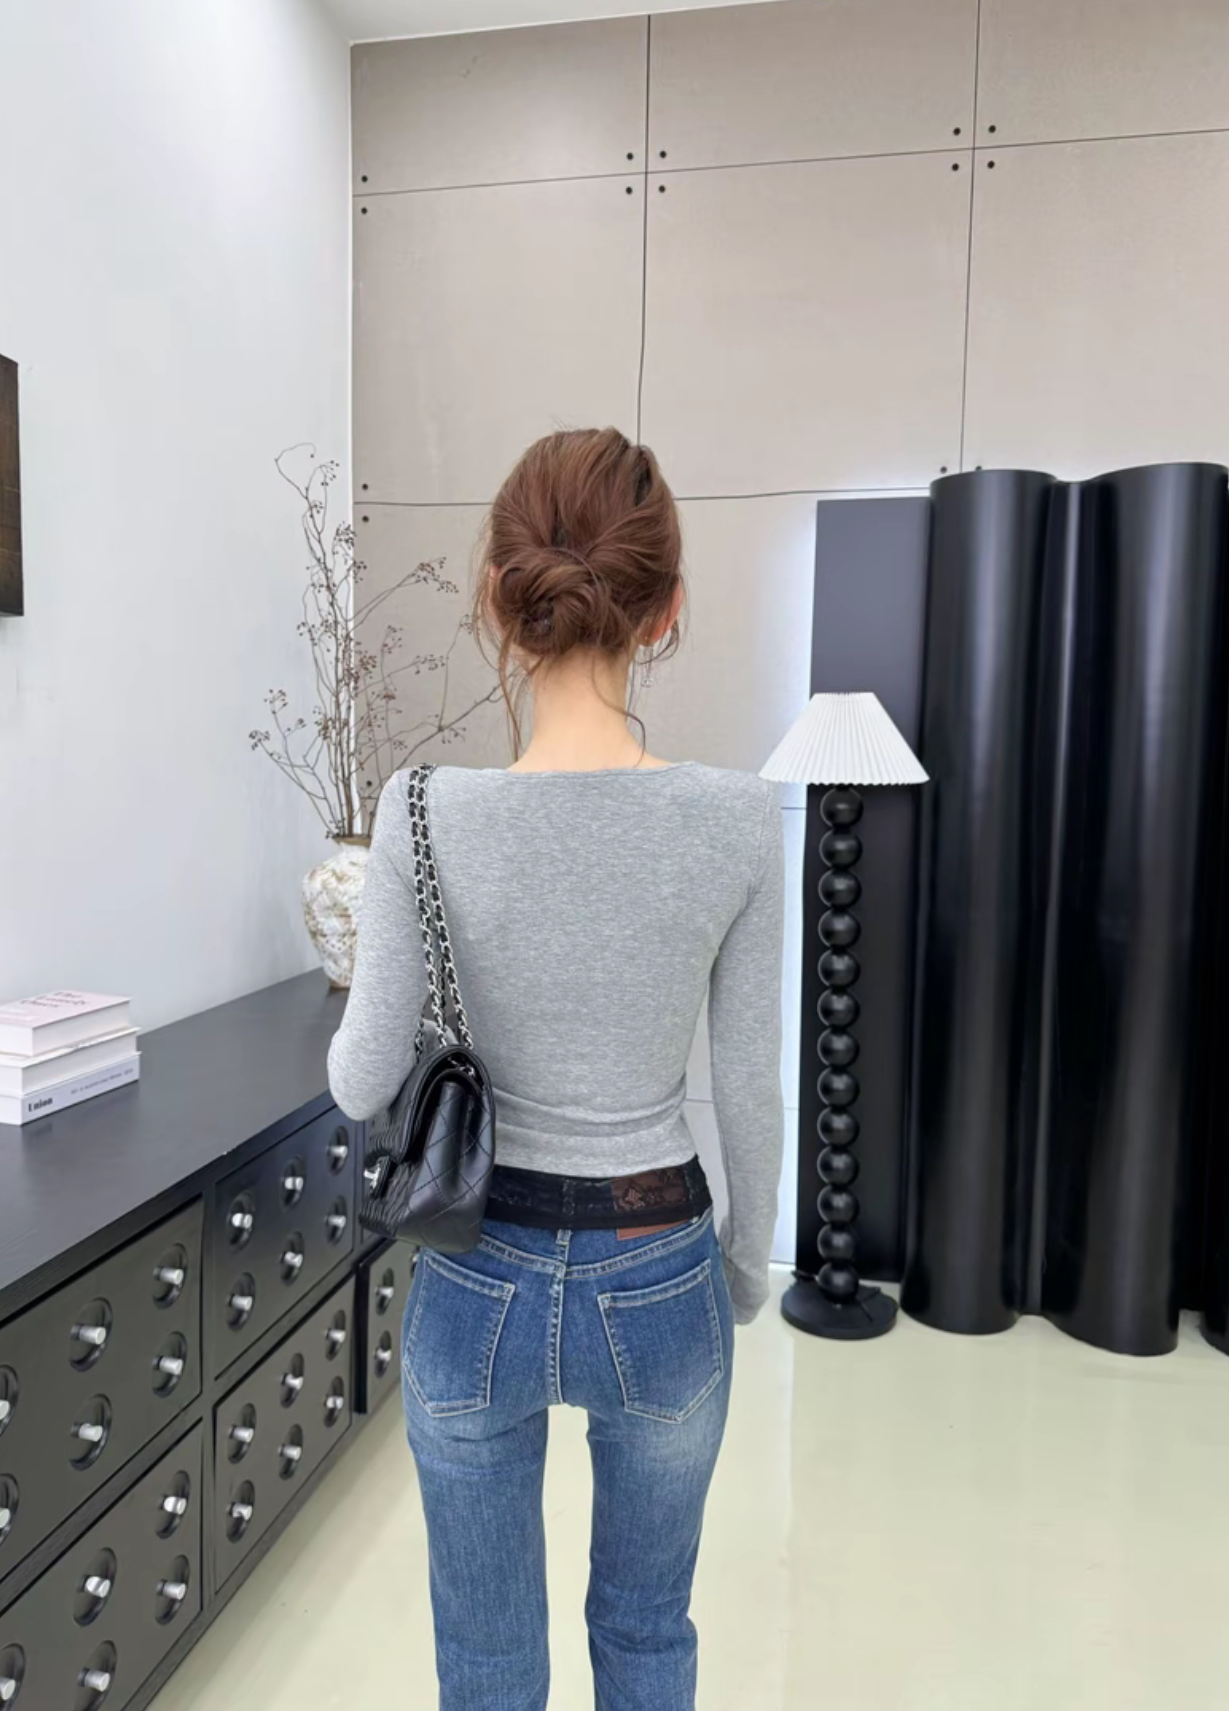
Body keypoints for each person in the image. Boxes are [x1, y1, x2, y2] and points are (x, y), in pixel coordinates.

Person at [328, 426, 784, 1711]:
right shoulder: (742, 819)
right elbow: (751, 1089)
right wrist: (741, 1273)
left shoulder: (422, 810)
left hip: (477, 1273)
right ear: (668, 609)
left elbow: (361, 1082)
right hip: (663, 1265)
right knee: (646, 1632)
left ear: (497, 598)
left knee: (485, 1659)